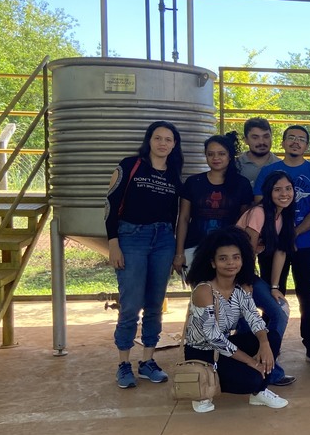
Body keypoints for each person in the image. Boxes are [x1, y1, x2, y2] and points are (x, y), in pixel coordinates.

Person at [105, 120, 183, 389]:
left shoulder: (174, 174)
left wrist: (176, 250)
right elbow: (111, 205)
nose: (163, 143)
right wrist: (113, 243)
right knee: (130, 305)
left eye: (168, 140)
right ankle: (123, 364)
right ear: (149, 140)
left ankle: (147, 362)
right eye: (158, 138)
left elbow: (176, 214)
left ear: (174, 145)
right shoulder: (129, 165)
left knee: (154, 304)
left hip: (163, 240)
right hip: (131, 238)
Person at [182, 226, 287, 413]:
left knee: (272, 338)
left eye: (236, 257)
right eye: (223, 258)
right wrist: (250, 361)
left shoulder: (241, 288)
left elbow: (253, 317)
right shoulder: (204, 291)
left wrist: (264, 344)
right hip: (203, 353)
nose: (230, 263)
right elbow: (214, 338)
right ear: (213, 263)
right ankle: (203, 390)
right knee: (251, 379)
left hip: (223, 347)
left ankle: (259, 392)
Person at [254, 125, 310, 367]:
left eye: (301, 139)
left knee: (307, 296)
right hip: (270, 245)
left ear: (307, 145)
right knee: (271, 296)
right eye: (291, 138)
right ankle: (269, 348)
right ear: (284, 142)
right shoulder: (269, 171)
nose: (296, 142)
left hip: (304, 245)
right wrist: (278, 237)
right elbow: (259, 204)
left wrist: (293, 234)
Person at [236, 171, 297, 387]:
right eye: (278, 189)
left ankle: (263, 368)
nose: (284, 193)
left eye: (288, 189)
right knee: (253, 319)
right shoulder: (259, 213)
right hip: (234, 273)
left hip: (245, 274)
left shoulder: (284, 216)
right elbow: (248, 250)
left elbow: (281, 252)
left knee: (273, 313)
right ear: (268, 192)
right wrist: (245, 283)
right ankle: (267, 371)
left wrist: (273, 286)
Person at [173, 132, 253, 274]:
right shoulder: (193, 183)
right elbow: (184, 218)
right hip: (195, 248)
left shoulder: (242, 184)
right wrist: (179, 254)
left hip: (229, 250)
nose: (216, 158)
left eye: (221, 154)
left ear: (230, 155)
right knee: (201, 292)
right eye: (211, 154)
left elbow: (244, 222)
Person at [235, 117, 278, 188]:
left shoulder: (280, 165)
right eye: (255, 137)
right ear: (246, 140)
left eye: (266, 137)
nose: (261, 142)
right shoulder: (235, 165)